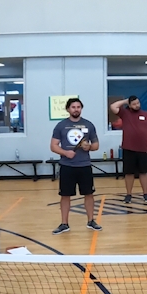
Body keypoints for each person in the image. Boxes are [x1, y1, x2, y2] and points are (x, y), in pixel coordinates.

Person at [50, 98, 102, 234]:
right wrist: (65, 153)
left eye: (78, 107)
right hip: (67, 166)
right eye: (73, 107)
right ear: (68, 109)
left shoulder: (89, 125)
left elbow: (96, 145)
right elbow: (53, 146)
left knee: (89, 194)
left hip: (84, 166)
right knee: (65, 195)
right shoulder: (61, 126)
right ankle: (64, 223)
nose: (76, 109)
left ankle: (91, 221)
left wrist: (89, 147)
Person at [110, 96, 147, 204]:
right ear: (129, 105)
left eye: (138, 103)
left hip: (143, 149)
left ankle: (146, 194)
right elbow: (113, 106)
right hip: (128, 148)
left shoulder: (146, 115)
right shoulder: (125, 113)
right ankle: (128, 194)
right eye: (134, 104)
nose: (137, 105)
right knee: (129, 173)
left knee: (144, 172)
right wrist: (125, 101)